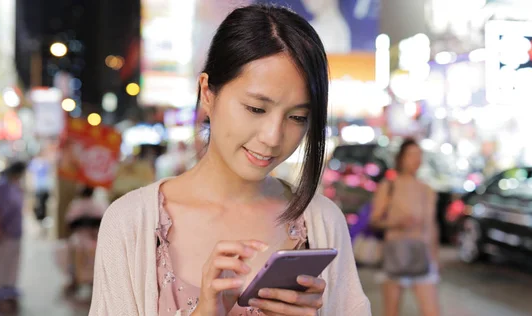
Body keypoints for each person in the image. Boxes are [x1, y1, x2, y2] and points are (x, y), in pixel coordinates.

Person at [89, 4, 371, 316]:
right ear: (208, 92)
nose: (273, 137)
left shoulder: (322, 221)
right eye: (256, 109)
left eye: (297, 117)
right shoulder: (131, 223)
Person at [370, 139, 440, 316]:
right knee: (391, 311)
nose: (416, 159)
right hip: (396, 253)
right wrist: (397, 223)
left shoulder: (427, 189)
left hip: (421, 254)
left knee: (431, 310)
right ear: (401, 158)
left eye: (419, 155)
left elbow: (432, 226)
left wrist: (434, 257)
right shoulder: (389, 186)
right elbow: (374, 220)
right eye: (411, 155)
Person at [0, 161, 27, 313]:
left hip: (16, 229)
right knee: (2, 259)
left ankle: (9, 285)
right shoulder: (3, 187)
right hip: (5, 230)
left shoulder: (16, 186)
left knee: (13, 260)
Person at [63, 186, 106, 295]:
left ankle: (82, 280)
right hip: (83, 238)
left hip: (92, 237)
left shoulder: (94, 204)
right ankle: (77, 280)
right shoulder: (96, 204)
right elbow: (71, 223)